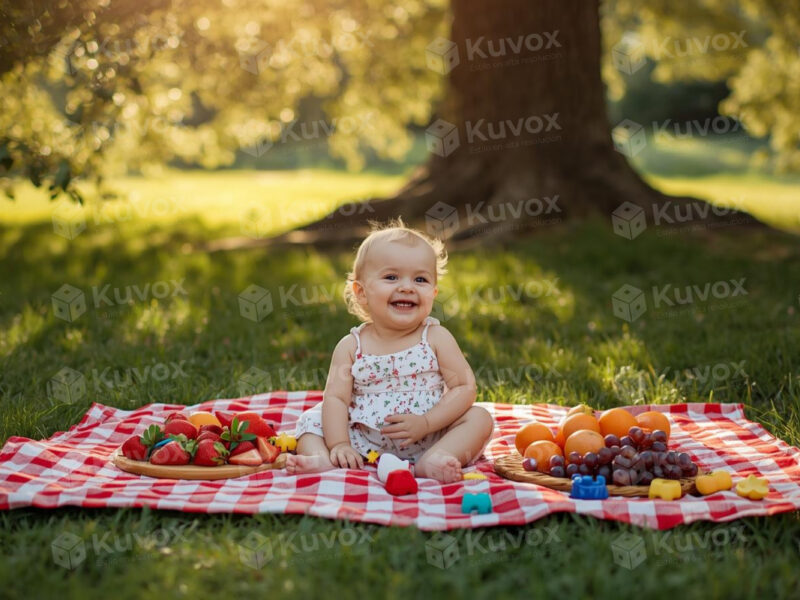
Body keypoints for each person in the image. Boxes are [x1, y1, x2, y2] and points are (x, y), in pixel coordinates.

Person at [285, 218, 494, 483]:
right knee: (313, 421)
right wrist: (340, 443)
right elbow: (336, 398)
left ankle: (434, 460)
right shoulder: (352, 345)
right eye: (391, 277)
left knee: (479, 418)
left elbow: (464, 387)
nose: (407, 287)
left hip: (430, 435)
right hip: (363, 439)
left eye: (420, 279)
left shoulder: (436, 338)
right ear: (361, 292)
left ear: (433, 292)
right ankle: (322, 458)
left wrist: (427, 423)